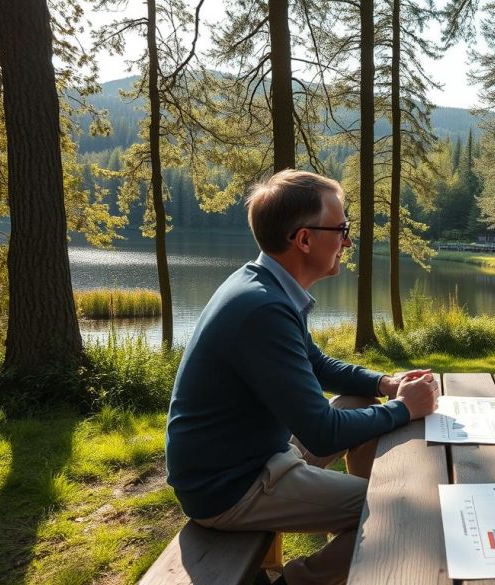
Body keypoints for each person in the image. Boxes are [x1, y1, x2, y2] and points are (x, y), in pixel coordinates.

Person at [165, 170, 439, 585]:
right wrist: (405, 407)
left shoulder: (266, 286)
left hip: (252, 455)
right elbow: (322, 433)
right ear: (305, 240)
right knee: (393, 509)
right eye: (342, 229)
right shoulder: (263, 309)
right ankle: (296, 581)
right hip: (230, 487)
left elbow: (318, 364)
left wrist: (384, 384)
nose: (348, 241)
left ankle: (351, 534)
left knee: (359, 400)